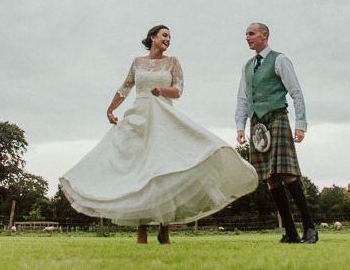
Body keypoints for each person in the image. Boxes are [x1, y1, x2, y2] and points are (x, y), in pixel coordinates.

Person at [60, 24, 258, 244]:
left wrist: (161, 91)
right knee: (138, 172)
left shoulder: (173, 62)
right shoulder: (137, 62)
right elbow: (124, 88)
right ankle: (141, 229)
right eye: (164, 35)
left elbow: (179, 90)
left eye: (170, 37)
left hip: (163, 119)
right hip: (138, 119)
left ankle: (164, 228)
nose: (168, 39)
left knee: (162, 171)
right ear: (152, 37)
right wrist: (110, 109)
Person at [235, 22, 318, 244]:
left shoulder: (280, 60)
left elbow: (296, 92)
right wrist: (240, 126)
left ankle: (310, 228)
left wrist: (300, 124)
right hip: (257, 124)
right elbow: (242, 98)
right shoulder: (247, 66)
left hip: (277, 118)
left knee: (287, 173)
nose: (247, 37)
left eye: (251, 33)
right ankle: (290, 232)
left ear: (264, 35)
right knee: (270, 178)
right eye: (246, 34)